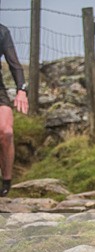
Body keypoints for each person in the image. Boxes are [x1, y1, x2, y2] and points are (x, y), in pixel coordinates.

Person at [0, 24, 28, 197]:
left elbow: (15, 65)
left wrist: (21, 90)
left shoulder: (2, 32)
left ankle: (6, 183)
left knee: (6, 132)